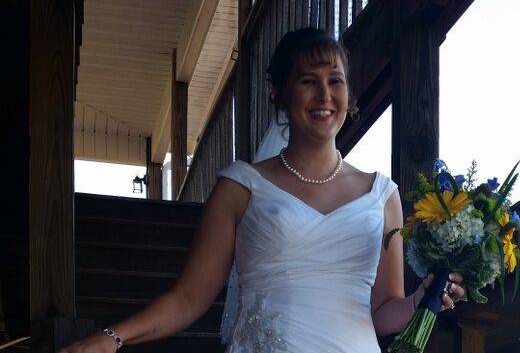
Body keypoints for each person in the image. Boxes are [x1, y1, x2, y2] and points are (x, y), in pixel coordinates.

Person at [60, 28, 465, 353]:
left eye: (335, 82)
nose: (325, 95)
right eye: (309, 81)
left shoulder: (382, 194)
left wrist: (419, 301)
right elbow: (188, 299)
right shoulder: (241, 187)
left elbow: (381, 313)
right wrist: (112, 338)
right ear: (280, 93)